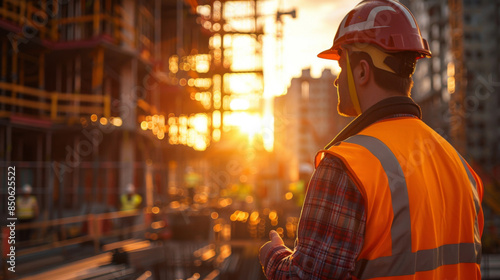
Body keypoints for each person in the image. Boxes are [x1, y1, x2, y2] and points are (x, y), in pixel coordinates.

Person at [259, 1, 484, 279]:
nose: (336, 81)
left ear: (363, 71)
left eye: (342, 67)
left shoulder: (347, 166)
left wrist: (273, 256)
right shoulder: (461, 168)